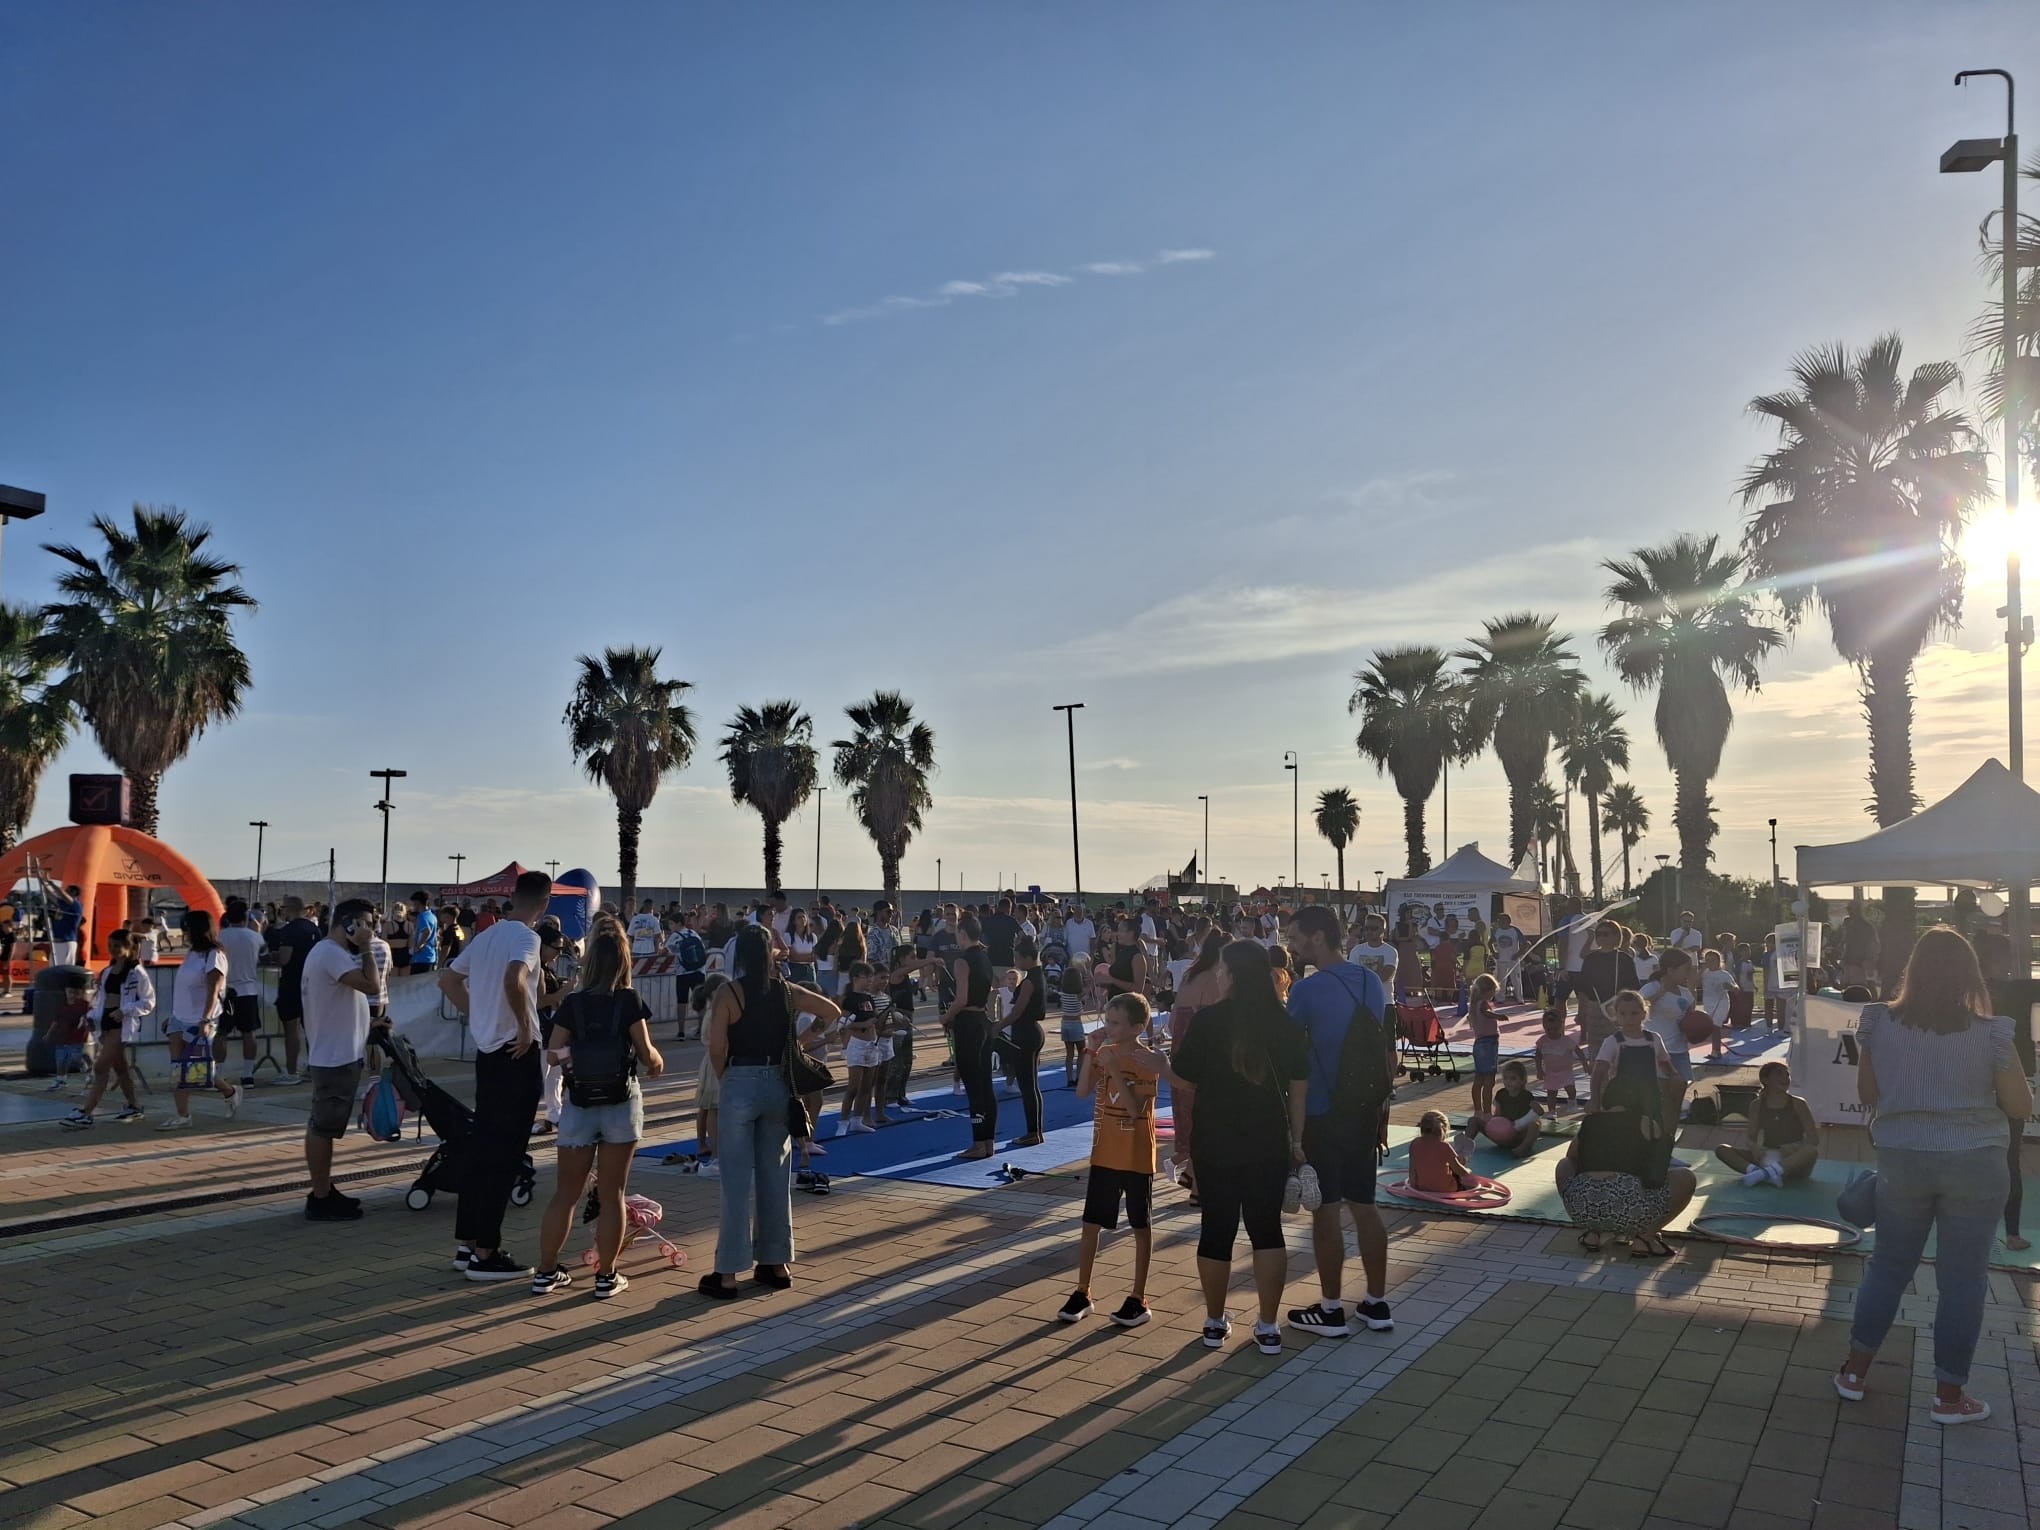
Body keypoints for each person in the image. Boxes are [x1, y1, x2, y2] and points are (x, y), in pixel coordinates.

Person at [1836, 928, 2032, 1425]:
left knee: (1888, 1267)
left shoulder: (1878, 1022)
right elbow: (2019, 1105)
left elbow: (1868, 1094)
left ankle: (1854, 1373)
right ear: (1970, 974)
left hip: (1903, 1158)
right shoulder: (1992, 1033)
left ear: (1913, 969)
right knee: (1963, 1279)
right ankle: (1949, 1397)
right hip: (1976, 1162)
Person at [1170, 941, 1309, 1355]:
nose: (1217, 974)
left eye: (1221, 969)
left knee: (1217, 1229)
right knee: (1267, 1231)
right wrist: (1297, 1140)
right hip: (1267, 1138)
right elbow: (1299, 1088)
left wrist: (1160, 1067)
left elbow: (1184, 1078)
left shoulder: (1209, 1020)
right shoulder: (1282, 1020)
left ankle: (1214, 1322)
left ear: (1231, 974)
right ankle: (1268, 1325)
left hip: (1215, 1139)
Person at [699, 924, 840, 1298]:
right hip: (778, 1081)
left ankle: (728, 1272)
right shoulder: (787, 990)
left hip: (740, 1078)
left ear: (741, 956)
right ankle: (777, 1263)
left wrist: (726, 1076)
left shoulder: (729, 992)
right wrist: (802, 1041)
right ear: (770, 954)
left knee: (734, 1180)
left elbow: (717, 1046)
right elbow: (831, 1010)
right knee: (775, 1175)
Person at [532, 918, 666, 1300]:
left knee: (565, 1195)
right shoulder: (629, 1001)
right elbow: (647, 1055)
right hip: (620, 1104)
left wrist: (578, 1056)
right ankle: (606, 1277)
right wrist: (657, 1062)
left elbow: (553, 1055)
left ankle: (546, 1273)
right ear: (625, 960)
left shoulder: (573, 1003)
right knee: (612, 1195)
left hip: (579, 1104)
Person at [1284, 905, 1397, 1339]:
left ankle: (1331, 1308)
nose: (1292, 946)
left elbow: (1289, 1048)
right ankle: (1376, 1302)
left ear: (1317, 937)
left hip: (1322, 1110)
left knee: (1326, 1209)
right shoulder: (1369, 980)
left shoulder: (1307, 989)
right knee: (1365, 1205)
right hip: (1364, 1108)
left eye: (1295, 937)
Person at [437, 870, 552, 1281]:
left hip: (488, 1052)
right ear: (544, 903)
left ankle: (468, 1243)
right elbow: (514, 979)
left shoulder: (486, 936)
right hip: (515, 1053)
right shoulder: (527, 938)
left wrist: (480, 1014)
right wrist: (524, 1027)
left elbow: (448, 980)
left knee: (482, 1148)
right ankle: (486, 1251)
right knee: (505, 1155)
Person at [1060, 993, 1167, 1328]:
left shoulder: (1147, 1060)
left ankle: (1138, 1296)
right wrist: (1091, 1052)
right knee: (1091, 1223)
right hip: (1105, 1151)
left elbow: (1136, 1110)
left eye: (1117, 1023)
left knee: (1140, 1225)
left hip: (1136, 1155)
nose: (1110, 1028)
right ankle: (1083, 1290)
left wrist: (1116, 1070)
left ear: (1137, 1027)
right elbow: (1081, 1091)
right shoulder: (1105, 1053)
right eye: (1108, 1020)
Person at [298, 898, 387, 1221]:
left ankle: (323, 1189)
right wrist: (366, 948)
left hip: (337, 1052)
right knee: (323, 1127)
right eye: (367, 925)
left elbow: (341, 1001)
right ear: (350, 923)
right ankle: (320, 1197)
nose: (371, 932)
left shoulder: (329, 953)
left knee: (326, 1126)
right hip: (334, 1057)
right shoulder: (330, 953)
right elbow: (371, 985)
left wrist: (369, 1024)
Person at [1556, 1073, 1696, 1256]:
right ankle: (1645, 1237)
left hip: (1582, 1208)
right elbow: (1662, 1158)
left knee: (1564, 1165)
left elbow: (1571, 1157)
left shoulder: (1590, 1121)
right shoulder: (1645, 1122)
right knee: (1686, 1178)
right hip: (1629, 1208)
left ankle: (1593, 1232)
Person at [158, 909, 244, 1130]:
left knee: (197, 1069)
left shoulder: (214, 955)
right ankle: (183, 1115)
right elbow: (184, 988)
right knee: (178, 1068)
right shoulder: (191, 954)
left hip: (200, 1019)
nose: (184, 933)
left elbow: (213, 989)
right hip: (179, 1018)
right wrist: (173, 1016)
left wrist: (205, 1020)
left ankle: (229, 1091)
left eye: (187, 928)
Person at [62, 930, 152, 1127]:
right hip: (105, 1023)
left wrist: (124, 1010)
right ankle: (134, 1106)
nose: (113, 949)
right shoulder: (107, 971)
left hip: (122, 1023)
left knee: (101, 1066)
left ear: (129, 947)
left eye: (117, 946)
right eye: (110, 945)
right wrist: (91, 1017)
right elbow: (100, 999)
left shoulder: (137, 973)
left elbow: (148, 1002)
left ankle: (87, 1112)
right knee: (120, 1067)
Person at [943, 915, 998, 1160]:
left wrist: (946, 1016)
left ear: (963, 934)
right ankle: (989, 1141)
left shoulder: (962, 961)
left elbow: (962, 998)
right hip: (983, 1021)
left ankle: (978, 1143)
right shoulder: (985, 957)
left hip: (968, 1023)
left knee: (973, 1086)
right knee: (985, 1084)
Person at [1715, 1061, 1818, 1185]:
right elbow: (1750, 1137)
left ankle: (1765, 1174)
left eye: (1787, 1075)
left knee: (1811, 1151)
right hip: (1767, 1155)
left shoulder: (1798, 1104)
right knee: (1722, 1150)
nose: (1785, 1078)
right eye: (1779, 1074)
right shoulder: (1757, 1105)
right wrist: (1754, 1148)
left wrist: (1793, 1148)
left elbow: (1814, 1139)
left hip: (1792, 1160)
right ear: (1765, 1080)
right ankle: (1760, 1172)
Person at [1591, 989, 1682, 1128]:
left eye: (1634, 1013)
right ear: (1616, 1015)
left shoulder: (1654, 1039)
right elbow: (1598, 1073)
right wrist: (1595, 1100)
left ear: (1644, 1014)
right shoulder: (1613, 1041)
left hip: (1648, 1098)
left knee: (1651, 1133)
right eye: (1623, 1014)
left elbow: (1665, 1063)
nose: (1629, 1018)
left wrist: (1675, 1076)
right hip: (1620, 1098)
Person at [991, 934, 1046, 1147]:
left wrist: (998, 1026)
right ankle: (1035, 1131)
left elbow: (1017, 1011)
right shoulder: (1036, 976)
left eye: (1017, 958)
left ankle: (1033, 1132)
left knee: (1027, 1085)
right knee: (1031, 1084)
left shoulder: (1030, 981)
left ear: (1028, 958)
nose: (1015, 961)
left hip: (1026, 1033)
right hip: (1031, 1031)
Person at [267, 896, 320, 1085]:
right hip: (312, 983)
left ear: (290, 909)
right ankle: (313, 1068)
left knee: (291, 1029)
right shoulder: (314, 928)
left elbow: (285, 958)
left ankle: (291, 1072)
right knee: (311, 1028)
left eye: (283, 907)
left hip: (291, 983)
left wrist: (272, 956)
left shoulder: (289, 930)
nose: (281, 911)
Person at [1639, 948, 1699, 1090]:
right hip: (1654, 1052)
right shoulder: (1651, 988)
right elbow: (1637, 1010)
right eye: (1686, 969)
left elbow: (1691, 1020)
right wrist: (1659, 994)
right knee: (1658, 1091)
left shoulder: (1685, 993)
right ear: (1671, 970)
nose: (1689, 974)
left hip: (1679, 1050)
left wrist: (1697, 1030)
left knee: (1681, 1087)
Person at [1482, 1060, 1544, 1157]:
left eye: (1513, 1079)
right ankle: (1464, 1146)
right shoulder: (1501, 1094)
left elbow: (1540, 1112)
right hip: (1502, 1133)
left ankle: (1523, 1148)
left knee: (1535, 1125)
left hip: (1518, 1135)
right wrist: (1493, 1125)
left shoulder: (1526, 1096)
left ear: (1522, 1081)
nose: (1508, 1082)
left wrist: (1537, 1108)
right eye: (1505, 1078)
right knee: (1474, 1121)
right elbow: (1497, 1115)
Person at [1408, 1110, 1474, 1192]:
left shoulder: (1414, 1144)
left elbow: (1412, 1170)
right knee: (1459, 1172)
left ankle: (1461, 1157)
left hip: (1423, 1188)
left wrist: (1414, 1189)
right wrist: (1468, 1172)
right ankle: (1464, 1158)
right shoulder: (1444, 1146)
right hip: (1446, 1189)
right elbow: (1458, 1170)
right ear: (1443, 1129)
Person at [1465, 973, 1501, 1118]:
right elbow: (1486, 1013)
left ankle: (1478, 1110)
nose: (1494, 995)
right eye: (1493, 991)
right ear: (1488, 991)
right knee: (1489, 1081)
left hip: (1479, 1044)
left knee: (1479, 1079)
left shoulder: (1474, 1005)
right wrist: (1498, 1016)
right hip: (1488, 1044)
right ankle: (1486, 1111)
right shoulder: (1483, 1004)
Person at [1534, 1005, 1579, 1110]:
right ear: (1544, 1027)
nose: (1552, 1032)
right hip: (1550, 1072)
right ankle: (1551, 1111)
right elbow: (1538, 1055)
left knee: (1571, 1090)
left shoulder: (1566, 1040)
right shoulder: (1542, 1041)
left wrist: (1585, 1063)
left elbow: (1578, 1050)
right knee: (1551, 1093)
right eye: (1548, 1029)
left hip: (1566, 1071)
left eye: (1555, 1029)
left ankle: (1572, 1102)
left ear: (1561, 1026)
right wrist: (1539, 1070)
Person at [1699, 948, 1734, 1062]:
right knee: (1711, 1027)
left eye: (1712, 960)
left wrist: (1730, 987)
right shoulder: (1705, 974)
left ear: (1719, 961)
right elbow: (1695, 983)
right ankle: (1715, 1049)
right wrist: (1701, 970)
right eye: (1707, 960)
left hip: (1721, 1003)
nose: (1710, 962)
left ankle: (1716, 1052)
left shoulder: (1724, 974)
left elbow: (1736, 988)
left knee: (1715, 1026)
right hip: (1708, 1003)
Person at [1840, 902, 1880, 992]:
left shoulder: (1865, 926)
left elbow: (1873, 945)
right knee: (1846, 989)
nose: (1849, 912)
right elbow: (1847, 944)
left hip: (1859, 964)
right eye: (1848, 909)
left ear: (1857, 910)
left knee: (1858, 989)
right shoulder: (1850, 925)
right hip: (1848, 963)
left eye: (1850, 909)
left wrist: (1869, 960)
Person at [407, 892, 440, 975]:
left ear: (417, 903)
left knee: (416, 981)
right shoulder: (432, 916)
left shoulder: (422, 916)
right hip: (430, 956)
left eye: (413, 903)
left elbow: (427, 931)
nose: (413, 905)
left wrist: (419, 946)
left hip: (421, 958)